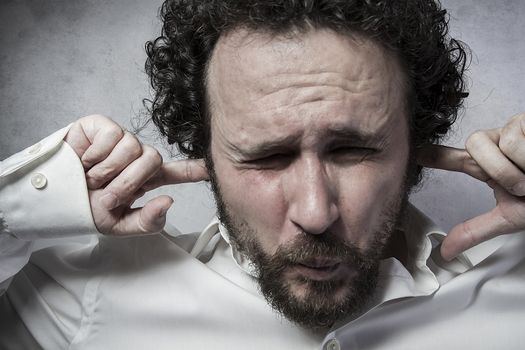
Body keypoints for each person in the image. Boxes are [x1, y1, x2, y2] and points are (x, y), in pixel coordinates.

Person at [1, 0, 524, 349]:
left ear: (417, 145)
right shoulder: (86, 294)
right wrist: (33, 202)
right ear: (203, 153)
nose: (315, 213)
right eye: (266, 157)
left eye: (352, 150)